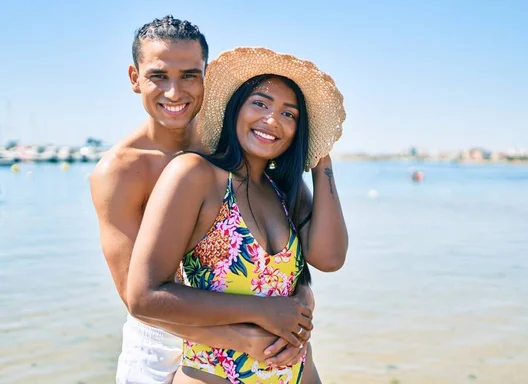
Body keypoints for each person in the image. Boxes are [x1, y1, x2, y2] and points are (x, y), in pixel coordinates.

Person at [90, 16, 317, 384]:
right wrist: (244, 336)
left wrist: (300, 299)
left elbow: (285, 242)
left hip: (251, 327)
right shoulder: (120, 170)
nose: (175, 92)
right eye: (159, 76)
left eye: (190, 75)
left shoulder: (228, 148)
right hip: (160, 344)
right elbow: (139, 297)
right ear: (135, 78)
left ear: (206, 77)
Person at [127, 47, 348, 383]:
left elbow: (330, 259)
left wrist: (321, 159)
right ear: (235, 108)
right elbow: (144, 297)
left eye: (290, 115)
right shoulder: (195, 175)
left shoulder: (284, 190)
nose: (273, 120)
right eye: (260, 103)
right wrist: (262, 311)